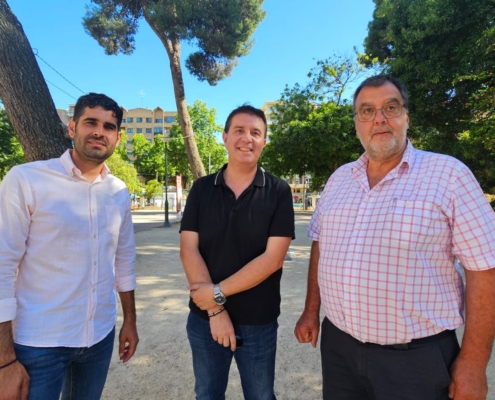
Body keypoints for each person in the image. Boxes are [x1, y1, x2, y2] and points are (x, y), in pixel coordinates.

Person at [294, 75, 495, 399]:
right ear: (357, 123)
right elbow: (321, 244)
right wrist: (310, 310)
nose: (379, 118)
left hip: (415, 360)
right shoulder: (338, 179)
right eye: (367, 111)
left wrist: (474, 362)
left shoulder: (449, 175)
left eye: (390, 107)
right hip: (339, 350)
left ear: (406, 116)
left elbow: (485, 269)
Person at [0, 93, 138, 400]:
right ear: (72, 128)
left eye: (109, 126)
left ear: (116, 137)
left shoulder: (118, 191)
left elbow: (124, 259)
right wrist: (4, 360)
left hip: (99, 337)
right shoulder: (26, 180)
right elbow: (2, 267)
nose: (100, 132)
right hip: (37, 343)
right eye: (91, 122)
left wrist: (130, 321)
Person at [180, 105, 295, 400]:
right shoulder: (201, 189)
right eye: (239, 131)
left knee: (260, 396)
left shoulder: (279, 191)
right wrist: (216, 310)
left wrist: (216, 293)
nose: (247, 138)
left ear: (264, 142)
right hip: (204, 319)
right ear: (225, 137)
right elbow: (188, 249)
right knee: (207, 395)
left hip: (259, 320)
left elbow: (273, 259)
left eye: (256, 133)